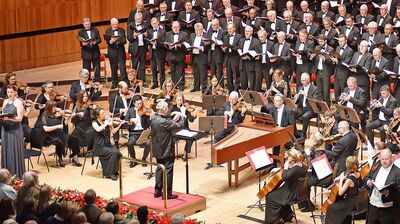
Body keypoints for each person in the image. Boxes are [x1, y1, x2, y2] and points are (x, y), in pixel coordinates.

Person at [151, 100, 185, 199]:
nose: (168, 111)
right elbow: (180, 125)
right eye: (167, 109)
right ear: (164, 109)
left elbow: (166, 122)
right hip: (166, 149)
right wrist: (182, 114)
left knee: (159, 168)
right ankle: (167, 193)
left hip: (157, 148)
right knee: (168, 169)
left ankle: (157, 191)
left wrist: (173, 118)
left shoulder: (154, 117)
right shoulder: (164, 122)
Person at [264, 148, 306, 224]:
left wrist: (286, 167)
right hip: (296, 191)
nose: (286, 158)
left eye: (287, 157)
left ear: (291, 158)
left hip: (290, 194)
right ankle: (286, 215)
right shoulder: (300, 165)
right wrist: (280, 168)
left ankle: (272, 221)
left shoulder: (295, 169)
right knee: (274, 193)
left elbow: (284, 177)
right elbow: (290, 172)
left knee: (270, 196)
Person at [364, 148, 400, 224]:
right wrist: (368, 182)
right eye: (382, 159)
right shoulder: (376, 166)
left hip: (387, 209)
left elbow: (398, 190)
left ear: (391, 158)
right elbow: (367, 177)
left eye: (386, 159)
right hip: (373, 205)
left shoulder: (397, 172)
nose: (384, 161)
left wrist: (388, 193)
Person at [42, 100, 79, 167]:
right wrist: (57, 126)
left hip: (60, 133)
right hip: (50, 135)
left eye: (56, 106)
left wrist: (68, 118)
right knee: (59, 141)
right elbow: (46, 129)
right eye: (54, 107)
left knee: (74, 139)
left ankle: (75, 156)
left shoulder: (59, 114)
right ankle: (60, 158)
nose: (56, 108)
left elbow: (64, 124)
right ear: (49, 108)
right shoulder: (45, 115)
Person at [325, 156, 362, 224]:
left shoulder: (349, 180)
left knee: (331, 207)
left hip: (350, 204)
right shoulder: (359, 174)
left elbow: (340, 192)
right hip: (357, 201)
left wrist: (341, 179)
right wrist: (340, 177)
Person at [92, 108, 123, 180]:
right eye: (102, 114)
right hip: (99, 146)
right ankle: (110, 173)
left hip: (107, 144)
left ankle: (114, 171)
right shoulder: (94, 122)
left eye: (104, 113)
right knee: (113, 153)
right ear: (97, 116)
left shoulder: (106, 121)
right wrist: (106, 124)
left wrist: (119, 125)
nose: (104, 115)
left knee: (118, 153)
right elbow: (98, 129)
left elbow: (113, 131)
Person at [1, 85, 25, 177]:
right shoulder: (5, 101)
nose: (9, 94)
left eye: (11, 92)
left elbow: (19, 119)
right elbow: (4, 114)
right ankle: (5, 175)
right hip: (5, 129)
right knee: (6, 150)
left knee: (14, 151)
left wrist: (9, 119)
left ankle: (16, 174)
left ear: (15, 92)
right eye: (8, 92)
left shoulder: (19, 103)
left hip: (14, 130)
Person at [125, 95, 152, 168]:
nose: (140, 105)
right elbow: (126, 121)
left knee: (149, 143)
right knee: (129, 143)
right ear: (134, 103)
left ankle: (144, 158)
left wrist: (150, 117)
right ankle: (133, 159)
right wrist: (131, 120)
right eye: (138, 104)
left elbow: (148, 123)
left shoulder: (145, 110)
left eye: (141, 103)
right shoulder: (130, 110)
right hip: (134, 133)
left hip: (143, 132)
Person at [293, 73, 322, 138]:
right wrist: (296, 97)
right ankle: (296, 133)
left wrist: (307, 95)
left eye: (304, 80)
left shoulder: (315, 89)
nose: (302, 82)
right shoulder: (300, 88)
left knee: (305, 116)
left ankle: (303, 134)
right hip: (302, 108)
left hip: (311, 110)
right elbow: (297, 102)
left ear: (308, 80)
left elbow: (316, 101)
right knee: (291, 113)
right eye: (301, 80)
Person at [164, 21, 187, 91]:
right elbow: (165, 43)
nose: (176, 28)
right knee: (172, 71)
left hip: (180, 55)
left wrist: (181, 45)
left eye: (177, 27)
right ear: (171, 28)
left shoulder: (184, 34)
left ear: (179, 27)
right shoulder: (167, 34)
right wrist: (168, 46)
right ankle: (174, 84)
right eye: (174, 27)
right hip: (171, 55)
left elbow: (187, 46)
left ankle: (181, 85)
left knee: (181, 71)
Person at [105, 18, 127, 89]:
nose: (115, 25)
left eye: (116, 24)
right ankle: (114, 82)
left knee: (122, 67)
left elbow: (124, 41)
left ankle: (124, 82)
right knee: (113, 67)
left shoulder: (122, 30)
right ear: (111, 24)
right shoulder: (107, 31)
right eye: (114, 24)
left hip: (120, 50)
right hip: (112, 51)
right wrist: (111, 41)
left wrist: (118, 41)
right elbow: (107, 41)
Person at [77, 18, 102, 82]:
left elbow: (99, 39)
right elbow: (81, 43)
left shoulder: (95, 30)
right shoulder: (80, 32)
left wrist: (95, 42)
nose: (87, 25)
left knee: (97, 69)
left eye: (88, 24)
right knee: (86, 70)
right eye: (86, 24)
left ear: (90, 23)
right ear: (83, 24)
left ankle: (97, 82)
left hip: (95, 52)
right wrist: (83, 44)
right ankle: (87, 83)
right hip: (86, 53)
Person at [187, 23, 209, 93]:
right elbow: (189, 43)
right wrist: (188, 47)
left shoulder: (206, 35)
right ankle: (196, 87)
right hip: (194, 56)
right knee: (195, 73)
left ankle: (204, 88)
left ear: (202, 29)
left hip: (202, 56)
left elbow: (208, 47)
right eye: (196, 30)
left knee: (203, 73)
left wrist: (202, 48)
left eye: (199, 30)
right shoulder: (192, 35)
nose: (197, 32)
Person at [127, 12, 148, 83]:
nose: (139, 20)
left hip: (143, 48)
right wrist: (134, 35)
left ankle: (142, 81)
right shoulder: (131, 25)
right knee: (134, 65)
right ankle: (133, 81)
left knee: (142, 66)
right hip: (134, 48)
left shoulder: (144, 25)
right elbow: (129, 38)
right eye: (138, 19)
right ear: (135, 18)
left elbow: (148, 37)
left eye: (140, 19)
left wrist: (146, 35)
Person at [147, 17, 167, 89]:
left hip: (160, 52)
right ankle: (155, 83)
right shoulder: (149, 31)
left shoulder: (163, 31)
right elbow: (147, 41)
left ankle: (162, 84)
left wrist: (157, 43)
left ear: (158, 23)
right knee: (153, 68)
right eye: (152, 23)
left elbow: (164, 43)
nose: (154, 24)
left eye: (155, 23)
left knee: (161, 69)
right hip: (152, 52)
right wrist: (150, 42)